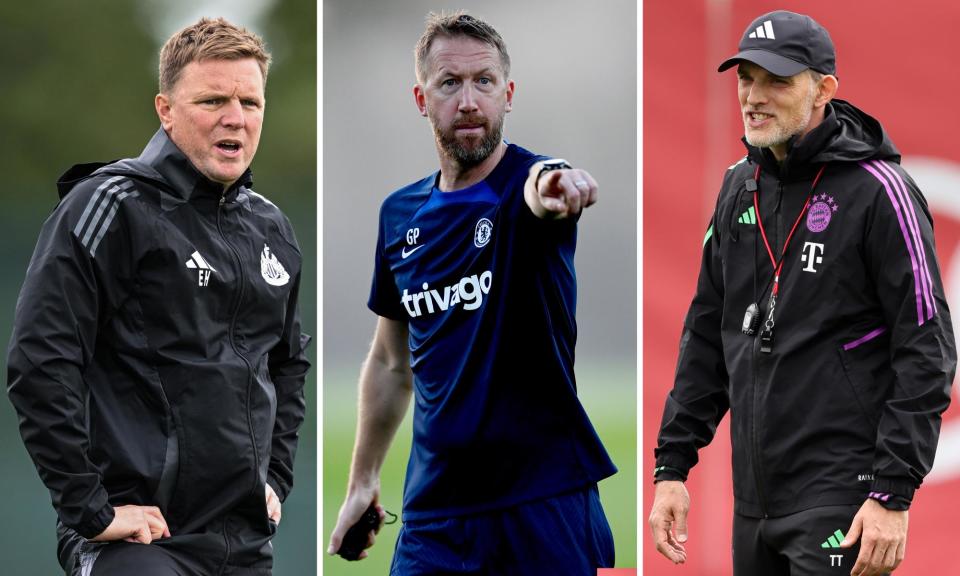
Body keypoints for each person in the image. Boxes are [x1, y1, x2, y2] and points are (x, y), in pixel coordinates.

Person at [649, 9, 955, 576]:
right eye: (745, 78)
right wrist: (672, 467)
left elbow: (927, 348)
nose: (754, 96)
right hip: (754, 504)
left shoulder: (880, 191)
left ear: (824, 90)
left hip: (845, 497)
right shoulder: (737, 185)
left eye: (776, 80)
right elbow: (707, 334)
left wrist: (892, 493)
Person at [6, 17, 310, 576]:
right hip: (139, 542)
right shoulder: (111, 205)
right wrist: (89, 509)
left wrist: (275, 478)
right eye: (213, 99)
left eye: (250, 101)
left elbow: (288, 364)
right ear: (166, 111)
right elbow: (39, 361)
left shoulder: (272, 229)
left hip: (241, 545)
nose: (235, 118)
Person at [327, 11, 617, 575]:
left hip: (542, 505)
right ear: (421, 97)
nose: (468, 101)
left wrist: (558, 186)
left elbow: (543, 189)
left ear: (507, 94)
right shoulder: (399, 215)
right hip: (435, 518)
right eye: (449, 83)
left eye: (483, 82)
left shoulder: (531, 184)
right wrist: (362, 480)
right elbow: (391, 362)